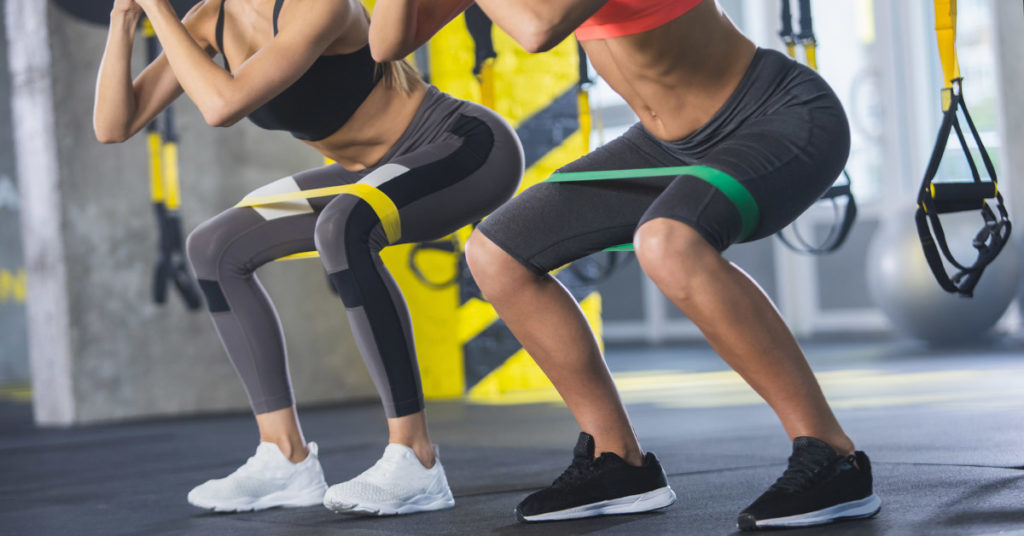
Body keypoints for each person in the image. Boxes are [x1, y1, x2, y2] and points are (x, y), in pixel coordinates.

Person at [369, 0, 881, 530]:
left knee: (667, 243)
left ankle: (832, 456)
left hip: (777, 116)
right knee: (494, 254)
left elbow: (538, 29)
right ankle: (618, 461)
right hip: (663, 146)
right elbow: (386, 46)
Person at [94, 0, 523, 515]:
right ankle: (284, 457)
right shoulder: (210, 19)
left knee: (343, 227)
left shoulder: (322, 5)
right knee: (214, 248)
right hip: (366, 175)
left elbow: (221, 105)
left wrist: (157, 10)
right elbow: (113, 125)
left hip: (462, 146)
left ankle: (417, 459)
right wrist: (124, 18)